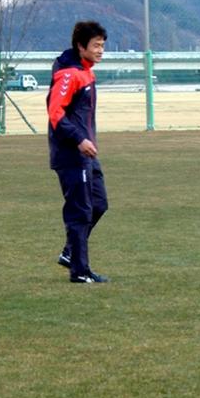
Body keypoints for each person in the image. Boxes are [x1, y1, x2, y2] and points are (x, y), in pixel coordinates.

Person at [48, 21, 110, 283]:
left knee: (99, 203)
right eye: (96, 45)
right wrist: (79, 140)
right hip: (72, 154)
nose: (100, 50)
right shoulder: (70, 74)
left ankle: (70, 253)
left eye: (102, 45)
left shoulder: (87, 72)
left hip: (87, 154)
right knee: (80, 211)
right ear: (80, 46)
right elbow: (55, 113)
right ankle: (80, 271)